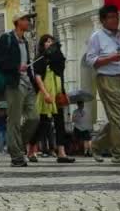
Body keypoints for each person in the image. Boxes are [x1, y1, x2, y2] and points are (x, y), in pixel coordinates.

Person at [85, 5, 120, 164]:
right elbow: (91, 60)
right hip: (108, 77)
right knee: (117, 116)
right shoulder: (97, 36)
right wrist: (111, 58)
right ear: (103, 20)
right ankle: (118, 153)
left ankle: (96, 144)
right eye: (111, 17)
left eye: (116, 17)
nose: (115, 20)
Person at [0, 12, 40, 167]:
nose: (29, 21)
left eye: (29, 19)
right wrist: (16, 67)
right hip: (14, 83)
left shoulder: (25, 41)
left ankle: (16, 146)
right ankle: (16, 156)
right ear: (17, 21)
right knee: (14, 120)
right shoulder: (6, 38)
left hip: (28, 82)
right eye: (26, 19)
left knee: (34, 117)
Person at [28, 35, 75, 164]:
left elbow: (61, 73)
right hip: (46, 92)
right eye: (47, 41)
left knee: (60, 123)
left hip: (58, 91)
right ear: (42, 45)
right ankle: (31, 148)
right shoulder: (40, 58)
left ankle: (61, 152)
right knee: (42, 124)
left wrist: (63, 92)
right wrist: (45, 93)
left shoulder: (58, 58)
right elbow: (37, 77)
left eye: (51, 41)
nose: (50, 43)